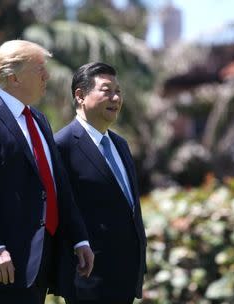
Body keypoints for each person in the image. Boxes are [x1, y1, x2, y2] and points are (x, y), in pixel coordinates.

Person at [0, 40, 94, 304]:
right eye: (39, 68)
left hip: (34, 262)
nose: (47, 76)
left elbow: (57, 185)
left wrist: (79, 239)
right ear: (13, 76)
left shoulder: (39, 120)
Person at [54, 62, 147, 304]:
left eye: (118, 91)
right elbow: (61, 210)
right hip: (88, 279)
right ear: (80, 96)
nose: (116, 97)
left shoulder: (121, 145)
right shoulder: (62, 146)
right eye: (106, 91)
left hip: (126, 276)